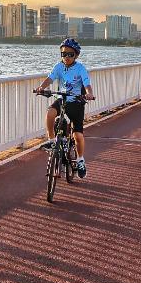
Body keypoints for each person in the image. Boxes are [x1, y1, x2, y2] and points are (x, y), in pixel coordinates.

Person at [34, 38, 95, 179]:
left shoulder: (80, 68)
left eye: (70, 54)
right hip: (62, 99)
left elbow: (87, 84)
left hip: (76, 102)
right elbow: (50, 79)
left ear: (76, 55)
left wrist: (89, 93)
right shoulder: (58, 67)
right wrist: (41, 88)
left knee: (77, 135)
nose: (66, 57)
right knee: (50, 113)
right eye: (63, 54)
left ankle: (80, 160)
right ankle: (51, 140)